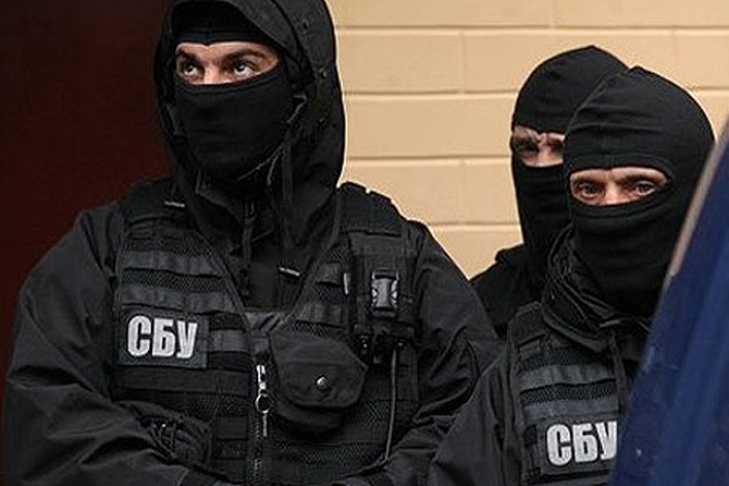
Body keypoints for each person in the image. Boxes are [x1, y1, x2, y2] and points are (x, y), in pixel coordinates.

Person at [3, 1, 501, 485]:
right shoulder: (110, 248)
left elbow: (477, 425)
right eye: (190, 68)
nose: (208, 90)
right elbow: (48, 423)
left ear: (300, 85)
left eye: (239, 66)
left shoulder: (396, 258)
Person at [428, 66, 714, 486]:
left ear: (694, 192)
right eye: (589, 189)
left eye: (639, 186)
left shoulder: (717, 347)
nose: (611, 208)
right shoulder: (522, 368)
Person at [470, 46, 626, 339]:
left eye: (561, 148)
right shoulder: (482, 305)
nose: (541, 167)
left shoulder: (676, 304)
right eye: (527, 148)